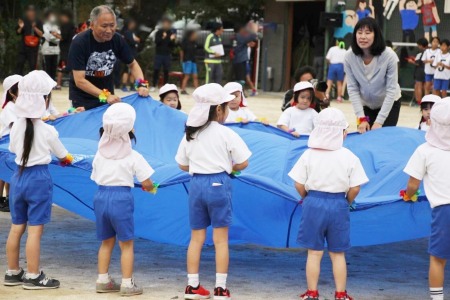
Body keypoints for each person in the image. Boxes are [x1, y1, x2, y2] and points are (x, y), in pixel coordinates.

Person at [175, 83, 251, 300]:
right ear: (218, 109)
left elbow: (181, 164)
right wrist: (229, 166)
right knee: (220, 240)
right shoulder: (225, 133)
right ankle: (220, 288)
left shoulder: (190, 134)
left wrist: (200, 167)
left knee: (196, 238)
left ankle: (192, 286)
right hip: (219, 183)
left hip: (196, 184)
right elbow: (243, 162)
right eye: (226, 106)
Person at [289, 107, 368, 300]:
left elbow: (298, 183)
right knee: (338, 253)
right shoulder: (349, 156)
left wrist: (307, 197)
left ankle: (312, 292)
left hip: (313, 202)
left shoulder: (308, 154)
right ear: (343, 133)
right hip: (338, 204)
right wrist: (346, 202)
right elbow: (355, 187)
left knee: (314, 253)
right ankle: (340, 294)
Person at [4, 70, 73, 289]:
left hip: (18, 177)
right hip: (39, 179)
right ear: (43, 101)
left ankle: (12, 272)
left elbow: (15, 149)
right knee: (35, 230)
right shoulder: (49, 130)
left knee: (16, 227)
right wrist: (68, 159)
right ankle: (33, 276)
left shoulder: (16, 127)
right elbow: (64, 156)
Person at [90, 103, 155, 296]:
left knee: (106, 242)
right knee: (126, 244)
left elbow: (95, 177)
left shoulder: (99, 154)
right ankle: (127, 284)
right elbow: (147, 182)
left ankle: (102, 280)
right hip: (121, 198)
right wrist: (150, 188)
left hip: (101, 196)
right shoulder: (133, 156)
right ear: (130, 130)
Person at [402, 99, 450, 300]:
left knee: (438, 259)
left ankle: (437, 298)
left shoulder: (425, 151)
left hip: (444, 211)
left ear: (432, 122)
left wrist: (408, 195)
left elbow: (413, 183)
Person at [68, 5, 149, 111]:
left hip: (108, 96)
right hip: (83, 98)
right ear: (92, 25)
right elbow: (80, 81)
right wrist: (105, 95)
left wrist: (141, 84)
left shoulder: (117, 40)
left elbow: (133, 64)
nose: (109, 30)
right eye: (104, 26)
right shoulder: (80, 43)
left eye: (112, 25)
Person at [344, 17, 402, 134]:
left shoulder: (389, 55)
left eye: (368, 32)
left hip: (389, 103)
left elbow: (391, 90)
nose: (363, 37)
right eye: (359, 33)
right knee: (365, 135)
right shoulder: (349, 57)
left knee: (383, 136)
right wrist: (362, 118)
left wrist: (379, 122)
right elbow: (352, 89)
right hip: (366, 104)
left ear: (376, 35)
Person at [0, 75, 22, 212]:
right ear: (11, 92)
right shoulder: (9, 107)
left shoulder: (18, 105)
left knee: (9, 172)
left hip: (13, 143)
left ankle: (8, 198)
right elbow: (16, 126)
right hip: (5, 144)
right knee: (3, 173)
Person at [15, 5, 43, 75]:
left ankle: (31, 82)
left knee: (32, 65)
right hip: (23, 47)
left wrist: (34, 27)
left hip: (33, 48)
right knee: (20, 63)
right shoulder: (23, 20)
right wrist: (21, 27)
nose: (30, 13)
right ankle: (18, 80)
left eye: (32, 11)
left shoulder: (38, 21)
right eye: (29, 11)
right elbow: (17, 32)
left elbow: (41, 34)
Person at [150, 17, 176, 92]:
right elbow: (157, 42)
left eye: (168, 23)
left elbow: (173, 45)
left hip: (167, 54)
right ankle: (154, 85)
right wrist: (163, 37)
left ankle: (165, 86)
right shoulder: (159, 32)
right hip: (159, 54)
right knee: (156, 70)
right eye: (165, 23)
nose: (166, 25)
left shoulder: (171, 33)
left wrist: (172, 40)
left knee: (166, 71)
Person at [232, 22, 258, 86]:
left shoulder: (234, 36)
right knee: (241, 78)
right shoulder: (240, 36)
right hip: (241, 59)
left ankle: (238, 90)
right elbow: (252, 37)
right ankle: (241, 91)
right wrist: (254, 29)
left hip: (235, 59)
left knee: (237, 77)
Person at [56, 10, 75, 90]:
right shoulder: (72, 25)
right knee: (72, 67)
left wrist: (55, 35)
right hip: (71, 48)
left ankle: (58, 85)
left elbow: (64, 37)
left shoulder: (65, 25)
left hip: (65, 50)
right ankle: (75, 84)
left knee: (61, 67)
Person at [121, 18, 141, 92]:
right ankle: (124, 85)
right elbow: (132, 41)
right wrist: (136, 40)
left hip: (134, 53)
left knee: (133, 69)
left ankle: (132, 85)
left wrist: (137, 41)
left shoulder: (133, 32)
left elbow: (139, 41)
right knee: (126, 70)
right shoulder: (126, 32)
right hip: (128, 53)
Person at [406, 38, 428, 103]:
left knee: (419, 86)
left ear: (421, 45)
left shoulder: (424, 52)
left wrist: (411, 61)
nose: (418, 46)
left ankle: (419, 101)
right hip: (421, 71)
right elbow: (417, 60)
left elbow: (418, 63)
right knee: (418, 86)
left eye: (419, 45)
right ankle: (418, 101)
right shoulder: (422, 52)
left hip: (420, 71)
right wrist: (414, 59)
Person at [41, 10, 61, 81]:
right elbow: (48, 37)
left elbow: (59, 37)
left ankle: (53, 82)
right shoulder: (45, 26)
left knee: (54, 67)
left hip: (56, 50)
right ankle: (47, 82)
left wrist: (54, 35)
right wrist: (55, 36)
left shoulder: (57, 26)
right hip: (47, 50)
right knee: (47, 67)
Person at [180, 30, 199, 95]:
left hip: (193, 60)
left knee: (195, 76)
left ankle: (197, 90)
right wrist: (182, 60)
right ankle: (183, 89)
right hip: (187, 60)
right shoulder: (185, 41)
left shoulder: (194, 42)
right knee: (187, 76)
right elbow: (182, 51)